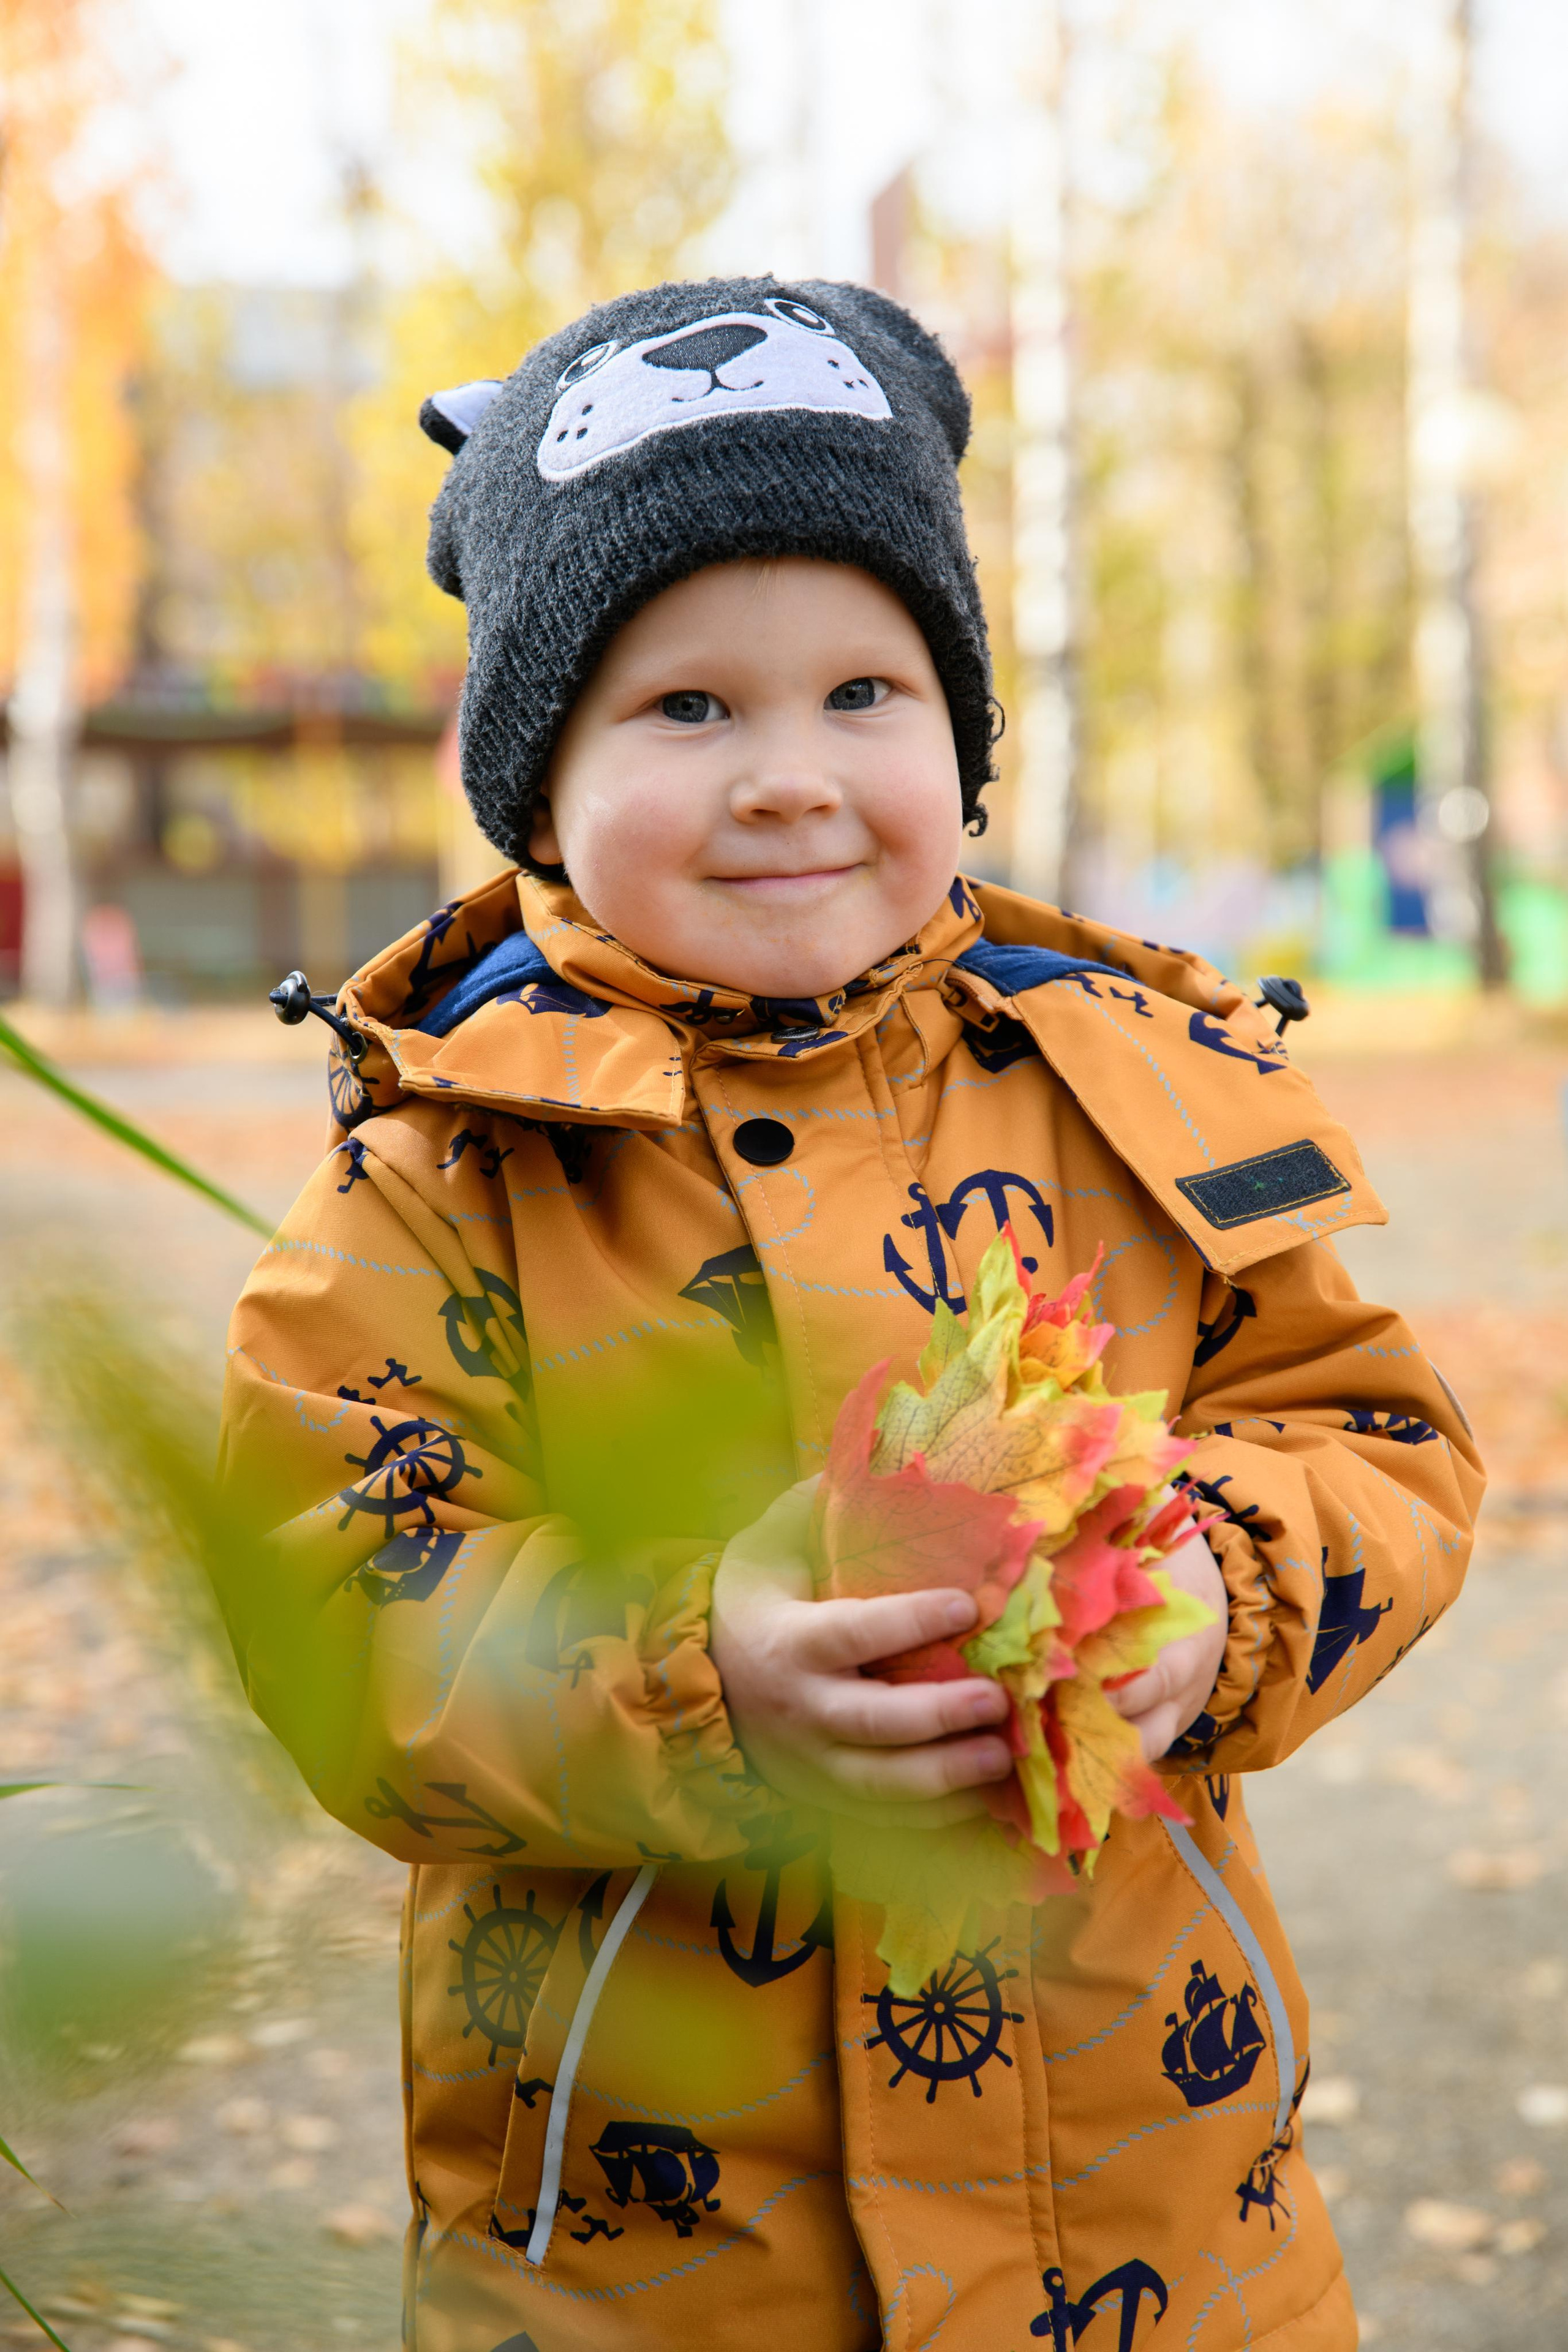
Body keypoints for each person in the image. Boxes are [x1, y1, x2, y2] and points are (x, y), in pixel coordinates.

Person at [217, 277, 1482, 2352]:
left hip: (1164, 2237)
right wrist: (689, 1666)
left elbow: (1383, 1435)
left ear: (963, 745)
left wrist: (1222, 1590)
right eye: (687, 708)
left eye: (864, 697)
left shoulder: (1139, 1088)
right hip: (671, 2274)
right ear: (533, 780)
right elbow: (336, 1595)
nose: (790, 778)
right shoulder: (443, 1179)